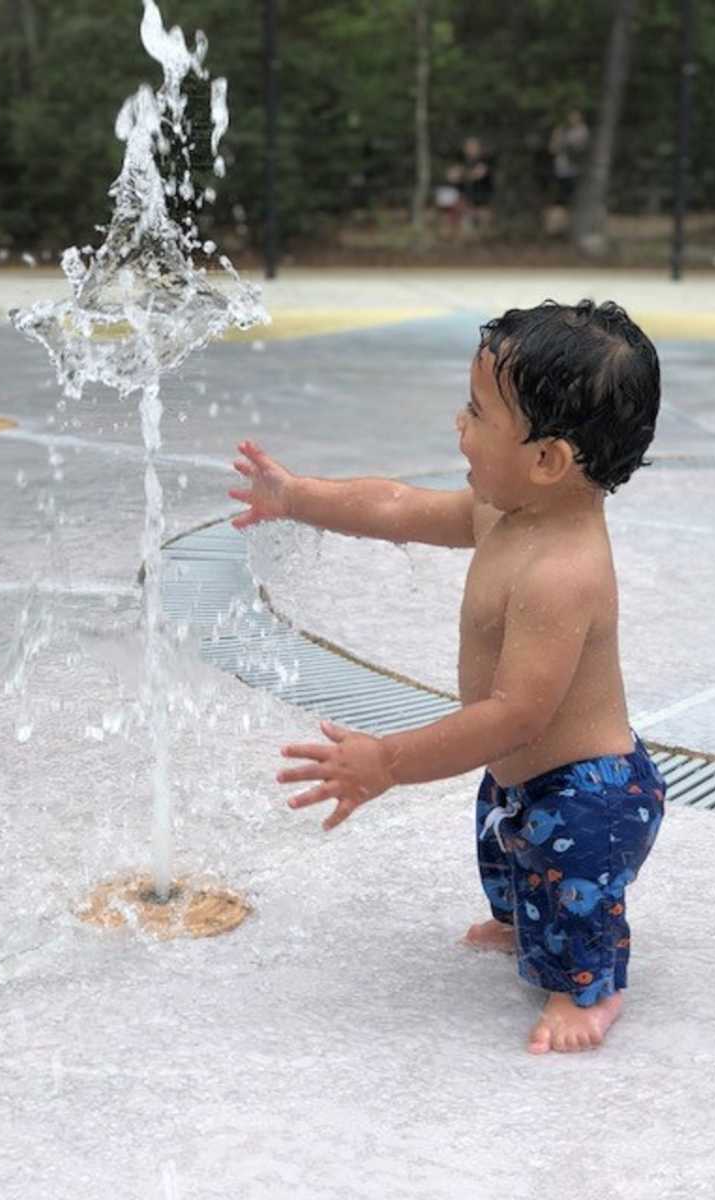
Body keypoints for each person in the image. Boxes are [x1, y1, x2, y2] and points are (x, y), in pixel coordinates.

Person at [227, 300, 667, 1056]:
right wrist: (297, 497)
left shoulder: (562, 570)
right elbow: (395, 507)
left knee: (571, 878)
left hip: (593, 795)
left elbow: (515, 716)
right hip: (525, 779)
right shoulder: (505, 512)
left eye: (477, 412)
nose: (458, 425)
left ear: (548, 460)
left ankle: (590, 987)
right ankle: (516, 914)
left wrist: (389, 763)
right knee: (505, 841)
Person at [549, 110, 590, 206]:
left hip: (575, 169)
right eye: (571, 116)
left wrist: (562, 139)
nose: (572, 118)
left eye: (575, 116)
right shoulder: (563, 130)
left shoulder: (582, 130)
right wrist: (555, 138)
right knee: (560, 197)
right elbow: (552, 149)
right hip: (561, 168)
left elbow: (577, 149)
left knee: (573, 196)